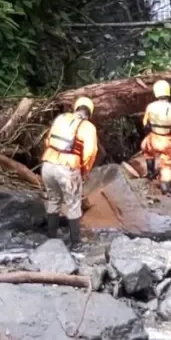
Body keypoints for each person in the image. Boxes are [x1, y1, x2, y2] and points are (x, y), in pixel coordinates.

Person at [40, 96, 99, 249]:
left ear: (76, 108)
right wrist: (84, 170)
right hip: (68, 168)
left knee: (53, 200)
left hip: (48, 164)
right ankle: (76, 244)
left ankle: (51, 239)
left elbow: (48, 140)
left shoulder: (61, 119)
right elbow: (90, 152)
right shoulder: (88, 127)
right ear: (89, 113)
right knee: (73, 204)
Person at [141, 80, 171, 194]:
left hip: (153, 138)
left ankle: (150, 173)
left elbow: (145, 123)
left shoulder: (150, 106)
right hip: (166, 140)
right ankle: (166, 188)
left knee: (147, 149)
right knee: (167, 164)